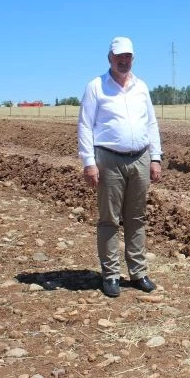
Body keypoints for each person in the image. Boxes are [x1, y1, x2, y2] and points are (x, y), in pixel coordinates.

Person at [77, 36, 163, 298]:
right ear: (110, 58)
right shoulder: (96, 87)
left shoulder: (141, 87)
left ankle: (138, 272)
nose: (123, 61)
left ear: (133, 58)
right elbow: (85, 125)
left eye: (127, 56)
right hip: (109, 159)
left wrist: (156, 157)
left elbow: (151, 124)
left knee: (137, 218)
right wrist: (89, 162)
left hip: (140, 158)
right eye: (118, 57)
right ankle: (111, 274)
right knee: (109, 220)